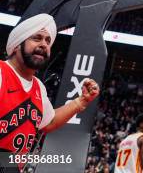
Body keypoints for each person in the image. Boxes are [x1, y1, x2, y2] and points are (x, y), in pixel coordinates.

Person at [0, 14, 99, 170]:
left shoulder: (38, 87)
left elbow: (50, 121)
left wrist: (81, 101)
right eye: (37, 38)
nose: (44, 44)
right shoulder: (1, 72)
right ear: (17, 45)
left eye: (48, 41)